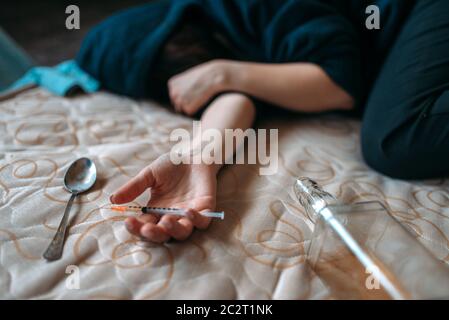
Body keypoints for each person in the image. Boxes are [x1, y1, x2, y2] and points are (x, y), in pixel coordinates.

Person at [76, 0, 449, 243]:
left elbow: (340, 83)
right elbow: (234, 102)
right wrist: (196, 157)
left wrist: (226, 72)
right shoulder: (223, 51)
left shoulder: (247, 9)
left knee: (397, 139)